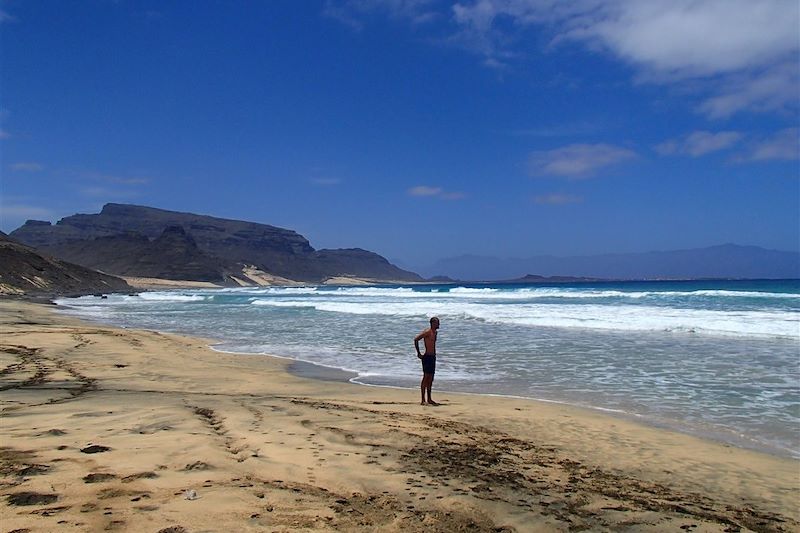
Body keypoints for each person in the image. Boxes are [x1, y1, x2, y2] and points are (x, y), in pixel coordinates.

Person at [414, 316, 440, 406]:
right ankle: (422, 399)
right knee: (426, 377)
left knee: (431, 379)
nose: (439, 324)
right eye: (437, 323)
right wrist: (419, 353)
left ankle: (429, 398)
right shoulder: (427, 332)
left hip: (433, 357)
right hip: (427, 357)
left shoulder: (435, 333)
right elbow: (416, 339)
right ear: (433, 323)